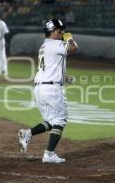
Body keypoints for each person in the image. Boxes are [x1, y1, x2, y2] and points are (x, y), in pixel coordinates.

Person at [18, 18, 78, 163]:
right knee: (61, 119)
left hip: (40, 87)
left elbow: (52, 66)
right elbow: (74, 48)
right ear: (52, 32)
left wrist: (65, 77)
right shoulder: (56, 44)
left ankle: (28, 133)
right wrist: (69, 37)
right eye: (60, 30)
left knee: (51, 120)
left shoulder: (44, 46)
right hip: (52, 89)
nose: (62, 32)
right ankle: (49, 154)